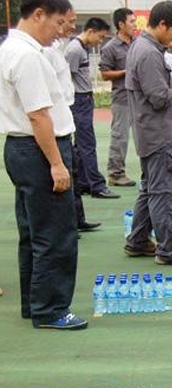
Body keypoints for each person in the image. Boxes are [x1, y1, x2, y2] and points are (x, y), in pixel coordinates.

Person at [0, 0, 87, 330]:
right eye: (58, 23)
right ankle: (51, 309)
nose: (60, 32)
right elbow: (39, 115)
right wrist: (56, 163)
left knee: (33, 233)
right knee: (55, 234)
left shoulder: (10, 48)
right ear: (38, 15)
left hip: (21, 149)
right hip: (40, 151)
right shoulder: (27, 56)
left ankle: (34, 303)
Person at [123, 0, 172, 266]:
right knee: (166, 192)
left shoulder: (142, 47)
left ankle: (138, 240)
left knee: (151, 190)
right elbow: (158, 97)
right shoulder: (149, 52)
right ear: (162, 24)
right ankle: (169, 249)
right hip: (158, 134)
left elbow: (153, 89)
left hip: (149, 133)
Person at [43, 7, 101, 233]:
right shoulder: (42, 52)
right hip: (56, 124)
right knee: (62, 176)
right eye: (67, 22)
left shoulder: (58, 47)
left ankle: (76, 219)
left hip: (66, 118)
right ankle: (67, 225)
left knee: (73, 172)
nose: (70, 27)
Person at [65, 16, 119, 199]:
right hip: (78, 100)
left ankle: (83, 183)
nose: (100, 41)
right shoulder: (74, 50)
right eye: (100, 37)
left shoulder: (82, 48)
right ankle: (97, 185)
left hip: (84, 99)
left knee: (82, 145)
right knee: (87, 144)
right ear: (90, 31)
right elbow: (66, 78)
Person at [99, 8, 138, 188]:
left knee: (145, 135)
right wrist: (125, 71)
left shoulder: (138, 43)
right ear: (121, 24)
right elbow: (105, 74)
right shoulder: (110, 48)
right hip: (122, 98)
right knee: (120, 137)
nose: (134, 25)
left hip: (140, 98)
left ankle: (150, 172)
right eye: (131, 21)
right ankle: (115, 173)